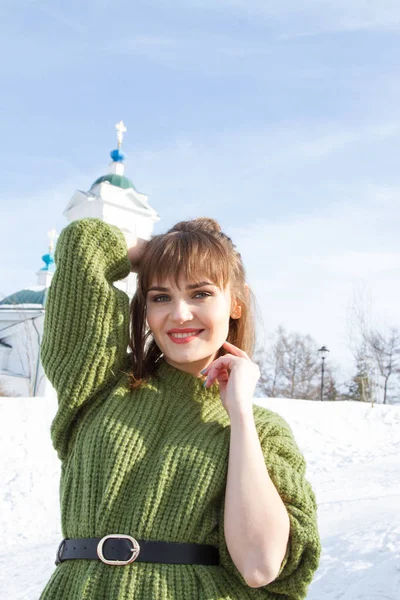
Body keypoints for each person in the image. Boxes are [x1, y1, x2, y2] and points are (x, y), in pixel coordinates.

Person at [40, 216, 321, 600]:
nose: (180, 314)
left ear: (235, 304)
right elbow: (83, 242)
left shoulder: (262, 429)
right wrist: (163, 251)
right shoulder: (100, 383)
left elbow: (260, 564)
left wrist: (239, 413)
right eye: (160, 297)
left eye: (201, 293)